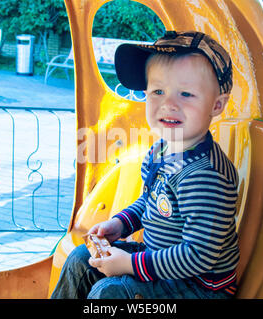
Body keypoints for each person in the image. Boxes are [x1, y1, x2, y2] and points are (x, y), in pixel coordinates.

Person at [51, 30, 240, 299]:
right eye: (158, 91)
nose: (169, 104)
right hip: (161, 265)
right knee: (82, 259)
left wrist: (128, 264)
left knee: (111, 294)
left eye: (186, 93)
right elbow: (150, 201)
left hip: (199, 286)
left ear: (217, 104)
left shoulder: (205, 177)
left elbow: (199, 257)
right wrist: (120, 224)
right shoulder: (161, 150)